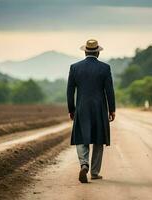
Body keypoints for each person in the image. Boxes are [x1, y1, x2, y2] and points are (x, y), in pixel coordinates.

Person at [67, 39, 116, 183]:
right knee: (99, 139)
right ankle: (94, 172)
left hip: (82, 108)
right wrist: (112, 110)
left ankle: (84, 164)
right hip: (100, 108)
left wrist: (71, 109)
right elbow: (109, 91)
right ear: (98, 53)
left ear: (85, 52)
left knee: (81, 138)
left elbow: (70, 91)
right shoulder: (105, 68)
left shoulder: (74, 68)